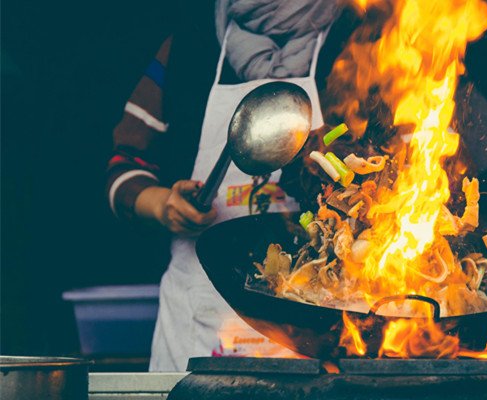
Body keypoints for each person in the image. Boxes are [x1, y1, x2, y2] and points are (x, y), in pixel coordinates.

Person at [107, 0, 338, 371]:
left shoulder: (360, 40)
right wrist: (164, 205)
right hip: (196, 321)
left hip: (316, 331)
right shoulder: (192, 43)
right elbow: (124, 165)